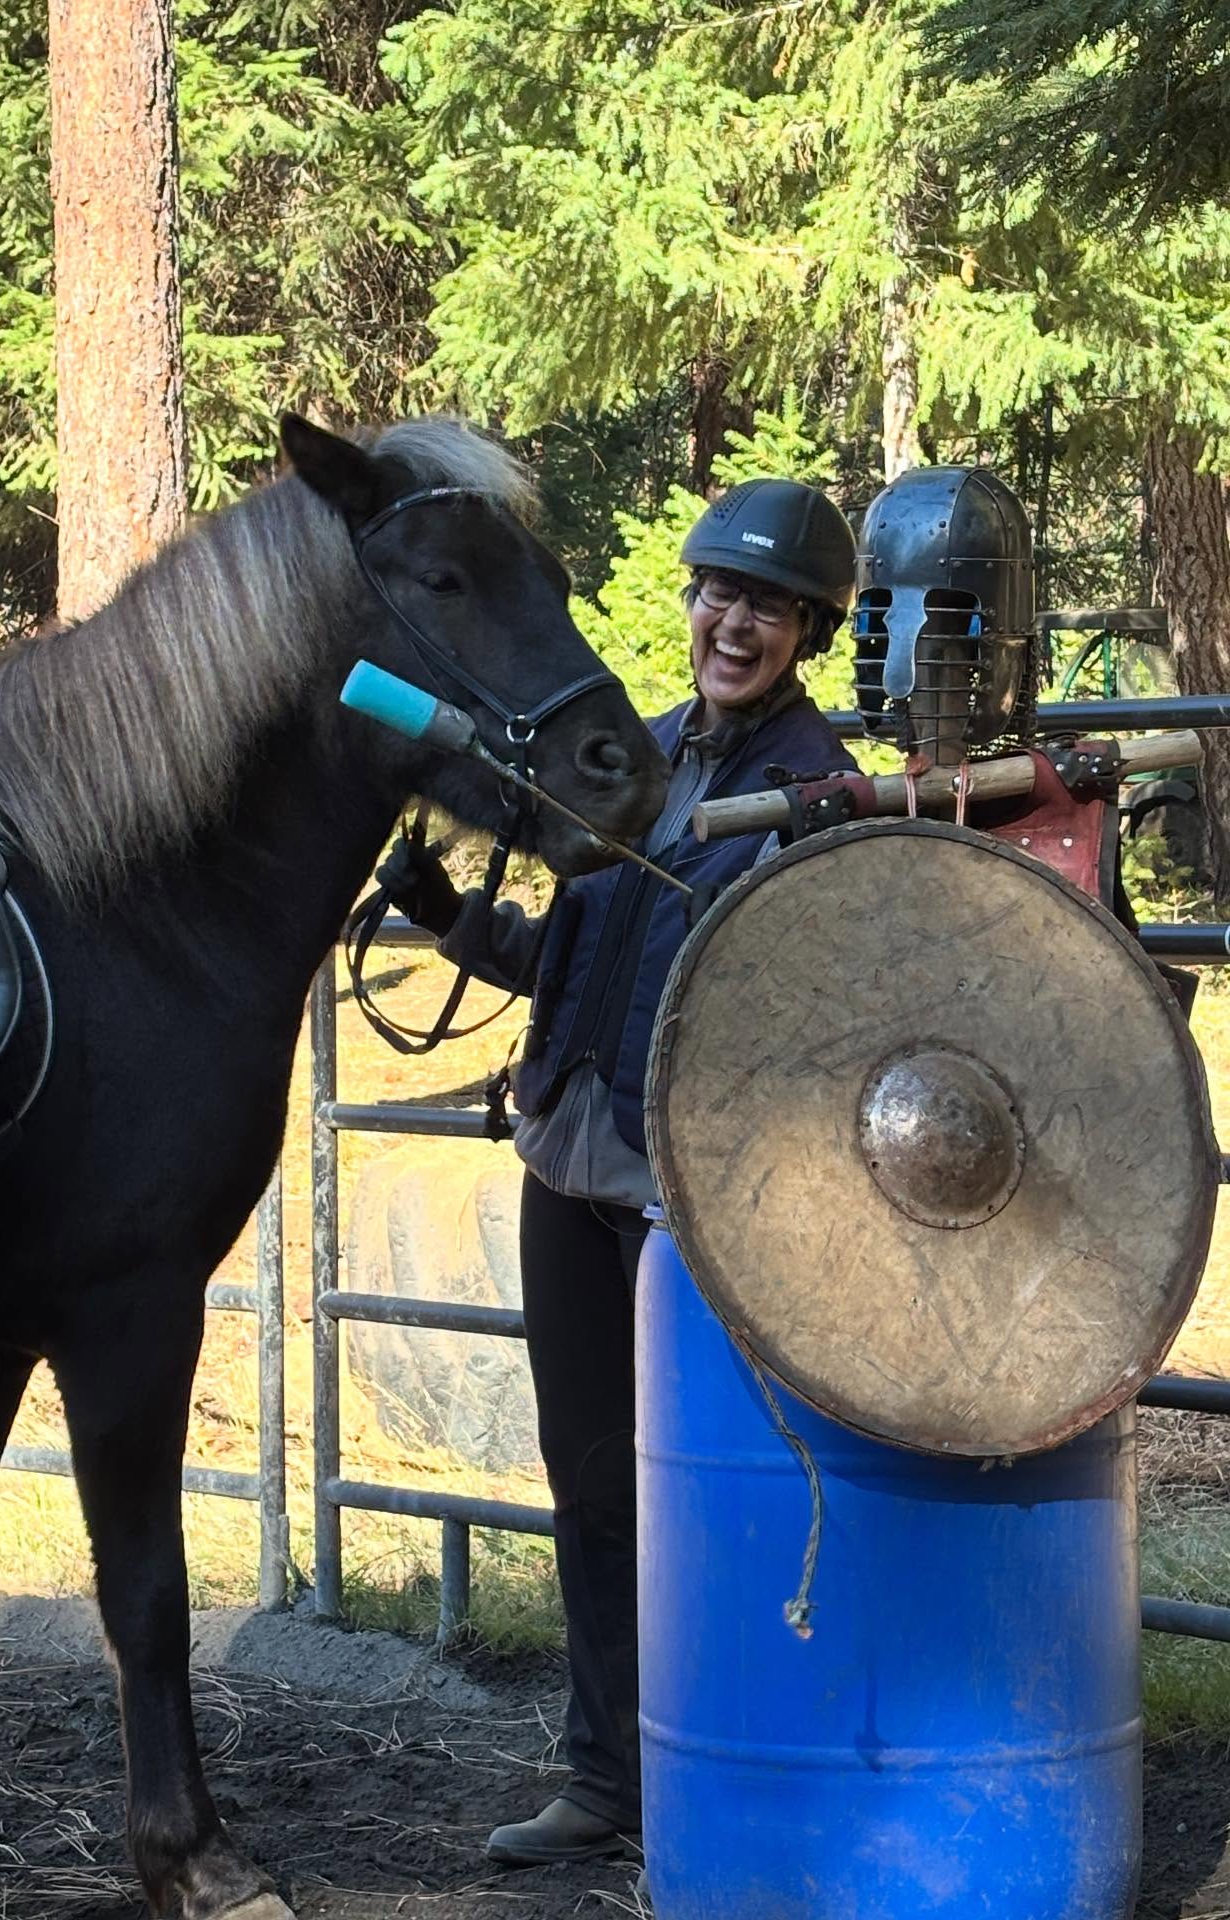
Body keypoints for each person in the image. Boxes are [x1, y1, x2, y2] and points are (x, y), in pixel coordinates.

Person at [378, 478, 858, 1867]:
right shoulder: (628, 761)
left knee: (721, 1487)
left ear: (811, 627)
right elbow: (566, 966)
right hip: (570, 1169)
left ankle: (748, 1767)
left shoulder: (821, 795)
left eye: (767, 604)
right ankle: (608, 1779)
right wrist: (450, 920)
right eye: (719, 590)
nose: (734, 619)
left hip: (696, 1197)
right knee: (589, 1484)